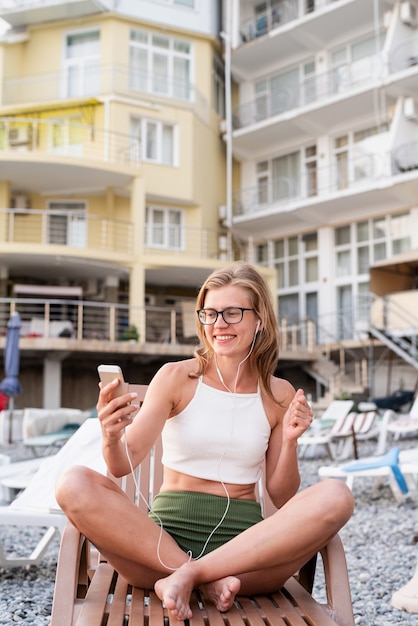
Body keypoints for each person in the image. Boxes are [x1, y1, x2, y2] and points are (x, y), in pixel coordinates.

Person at [56, 261, 354, 621]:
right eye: (209, 314)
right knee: (72, 481)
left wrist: (289, 441)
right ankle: (199, 576)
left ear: (259, 319)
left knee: (337, 495)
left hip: (247, 559)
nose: (218, 325)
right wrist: (110, 434)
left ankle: (190, 577)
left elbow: (281, 495)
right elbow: (122, 464)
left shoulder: (278, 393)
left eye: (232, 313)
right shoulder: (177, 377)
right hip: (159, 551)